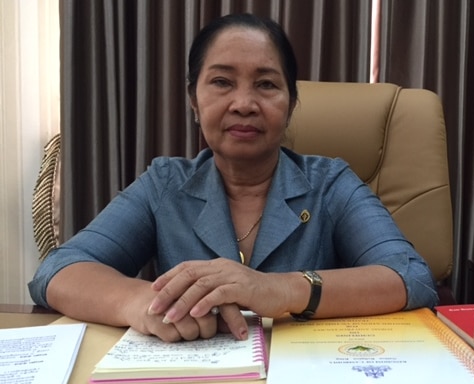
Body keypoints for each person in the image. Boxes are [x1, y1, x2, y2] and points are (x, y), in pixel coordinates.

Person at [29, 13, 438, 342]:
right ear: (194, 100)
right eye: (222, 82)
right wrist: (143, 303)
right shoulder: (165, 184)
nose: (244, 103)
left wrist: (280, 290)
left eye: (266, 85)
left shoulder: (331, 183)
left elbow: (410, 277)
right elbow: (59, 271)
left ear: (291, 103)